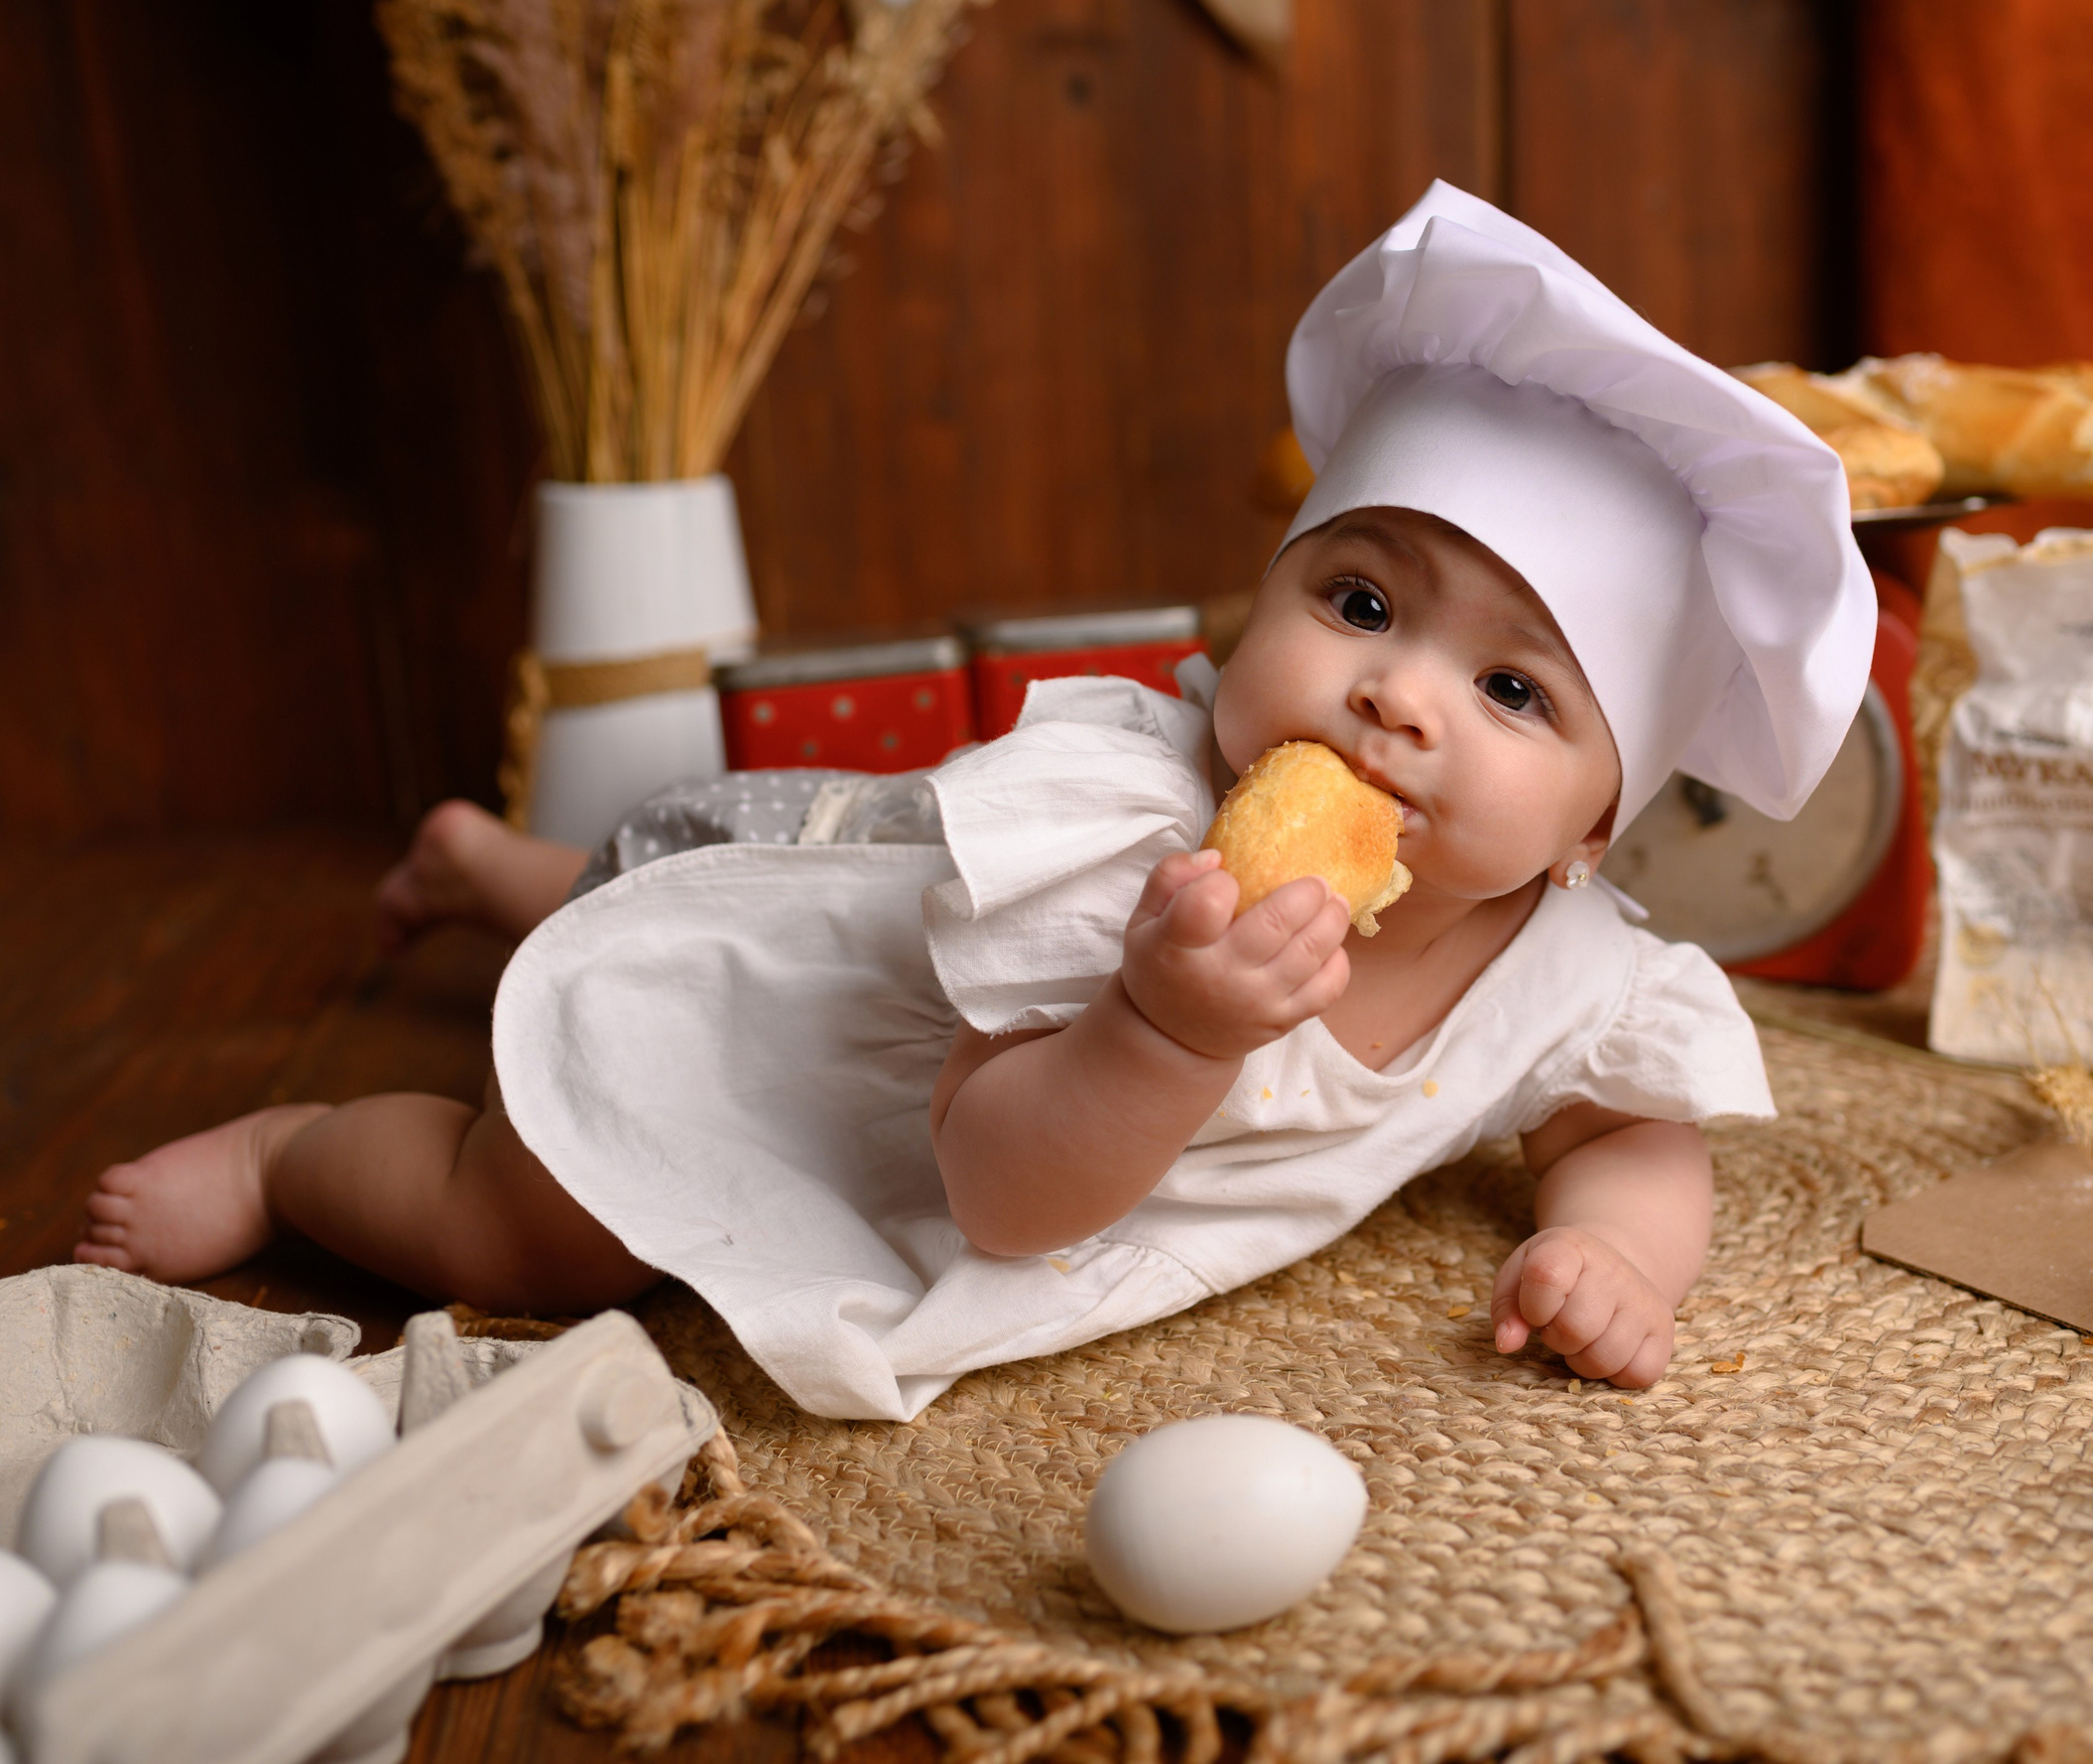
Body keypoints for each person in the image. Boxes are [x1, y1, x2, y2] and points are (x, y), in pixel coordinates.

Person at [75, 184, 1872, 1422]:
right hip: (823, 995)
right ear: (1253, 603)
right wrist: (1161, 1028)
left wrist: (1612, 1247)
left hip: (854, 865)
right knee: (531, 1218)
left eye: (1513, 691)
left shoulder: (1576, 966)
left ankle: (487, 865)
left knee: (625, 866)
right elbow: (1005, 1198)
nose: (1399, 693)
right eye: (1361, 601)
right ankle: (292, 1142)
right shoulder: (1119, 833)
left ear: (1591, 836)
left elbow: (1626, 1132)